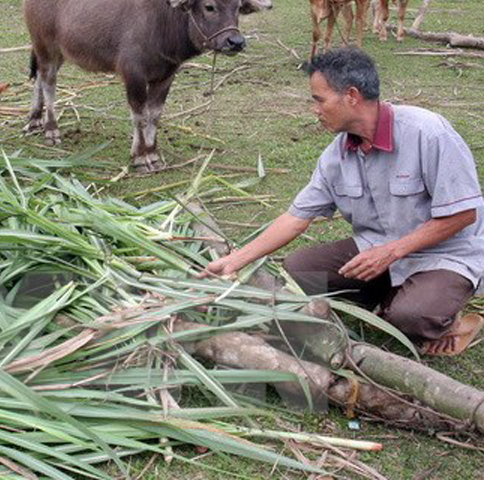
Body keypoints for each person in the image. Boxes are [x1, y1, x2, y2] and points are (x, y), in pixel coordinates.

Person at [203, 48, 484, 356]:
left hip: (444, 254)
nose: (315, 109)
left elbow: (462, 215)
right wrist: (235, 260)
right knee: (299, 270)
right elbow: (297, 217)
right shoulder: (337, 155)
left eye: (319, 99)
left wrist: (391, 251)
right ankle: (394, 296)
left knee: (411, 317)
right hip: (377, 248)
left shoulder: (428, 134)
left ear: (351, 96)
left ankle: (443, 316)